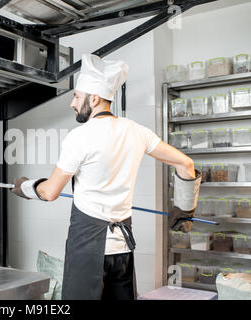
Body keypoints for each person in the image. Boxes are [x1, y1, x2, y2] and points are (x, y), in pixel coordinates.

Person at [11, 54, 201, 300]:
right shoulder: (137, 132)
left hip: (88, 251)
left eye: (76, 97)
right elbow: (186, 163)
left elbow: (49, 192)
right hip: (122, 250)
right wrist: (185, 211)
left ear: (95, 98)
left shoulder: (79, 137)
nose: (72, 104)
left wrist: (23, 186)